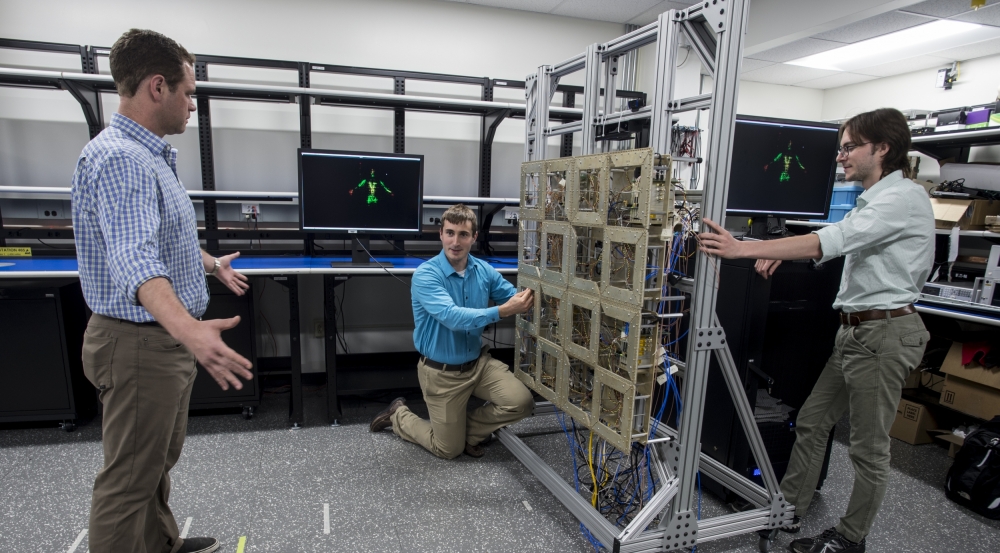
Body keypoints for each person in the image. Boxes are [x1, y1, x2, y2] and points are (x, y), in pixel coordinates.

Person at [698, 108, 933, 553]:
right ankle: (788, 509)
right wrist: (785, 251)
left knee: (868, 449)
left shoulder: (902, 197)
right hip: (855, 334)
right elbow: (840, 235)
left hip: (882, 335)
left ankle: (850, 539)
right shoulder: (876, 199)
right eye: (841, 147)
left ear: (881, 148)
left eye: (849, 147)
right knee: (810, 422)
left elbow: (833, 240)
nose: (841, 156)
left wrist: (742, 249)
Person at [72, 29, 254, 553]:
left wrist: (211, 263)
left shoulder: (148, 155)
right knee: (129, 479)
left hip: (156, 342)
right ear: (157, 87)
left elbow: (159, 242)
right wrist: (192, 331)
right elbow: (136, 263)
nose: (192, 104)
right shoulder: (123, 160)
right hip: (138, 343)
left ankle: (158, 543)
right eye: (188, 92)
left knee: (154, 461)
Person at [369, 204, 535, 458]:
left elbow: (514, 297)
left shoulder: (483, 270)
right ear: (441, 234)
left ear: (474, 237)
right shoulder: (426, 275)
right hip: (442, 374)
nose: (455, 242)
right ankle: (399, 416)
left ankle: (462, 430)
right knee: (448, 449)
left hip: (479, 366)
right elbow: (452, 317)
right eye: (450, 233)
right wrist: (502, 311)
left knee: (521, 403)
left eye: (463, 235)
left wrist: (536, 295)